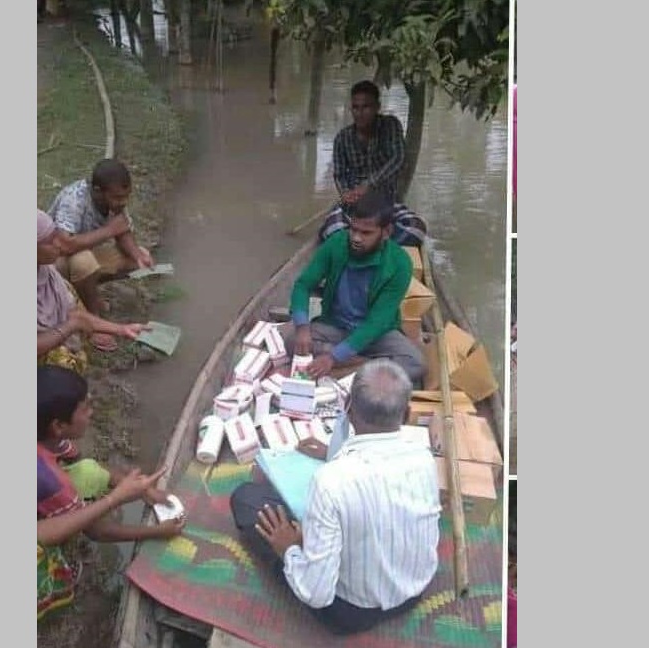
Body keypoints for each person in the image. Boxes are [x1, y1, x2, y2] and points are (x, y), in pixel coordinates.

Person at [229, 359, 440, 635]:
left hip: (350, 613)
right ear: (406, 413)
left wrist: (289, 549)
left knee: (245, 499)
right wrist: (331, 453)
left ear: (348, 407)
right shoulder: (423, 458)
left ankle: (293, 547)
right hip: (414, 591)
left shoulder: (331, 481)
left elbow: (316, 593)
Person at [37, 365, 185, 620]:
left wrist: (141, 491)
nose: (91, 413)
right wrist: (156, 531)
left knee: (88, 470)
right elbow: (96, 531)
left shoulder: (47, 437)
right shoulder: (51, 481)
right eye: (84, 409)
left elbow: (82, 463)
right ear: (58, 425)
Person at [287, 191, 426, 384]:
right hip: (336, 326)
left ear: (386, 232)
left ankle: (351, 365)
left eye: (366, 233)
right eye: (353, 229)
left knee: (415, 363)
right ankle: (372, 366)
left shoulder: (400, 263)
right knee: (291, 339)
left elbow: (377, 323)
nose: (356, 238)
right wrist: (302, 327)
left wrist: (333, 357)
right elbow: (303, 285)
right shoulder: (336, 244)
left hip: (376, 335)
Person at [45, 159, 156, 351]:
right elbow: (63, 244)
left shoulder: (115, 203)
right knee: (84, 262)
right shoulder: (74, 200)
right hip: (53, 264)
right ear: (97, 191)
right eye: (117, 197)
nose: (122, 202)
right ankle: (93, 321)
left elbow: (122, 231)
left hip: (83, 253)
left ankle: (87, 293)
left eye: (126, 197)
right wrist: (108, 231)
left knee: (136, 257)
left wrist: (138, 255)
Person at [38, 210, 147, 371]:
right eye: (50, 241)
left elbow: (74, 314)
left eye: (56, 237)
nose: (58, 244)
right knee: (62, 365)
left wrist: (122, 329)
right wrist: (69, 327)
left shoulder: (46, 273)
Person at [333, 80, 405, 207]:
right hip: (354, 201)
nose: (360, 113)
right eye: (355, 107)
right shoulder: (342, 138)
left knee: (413, 224)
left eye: (366, 107)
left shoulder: (391, 126)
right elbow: (339, 175)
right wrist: (346, 193)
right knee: (332, 224)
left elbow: (398, 158)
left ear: (377, 107)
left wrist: (369, 184)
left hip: (386, 198)